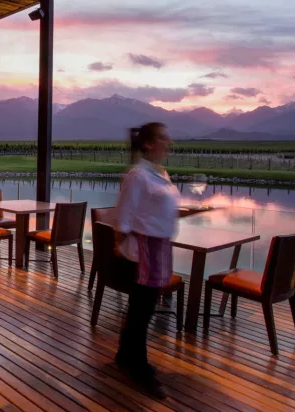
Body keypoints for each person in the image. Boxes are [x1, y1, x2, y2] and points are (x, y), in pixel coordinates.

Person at [115, 122, 179, 398]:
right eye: (164, 138)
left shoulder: (160, 173)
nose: (169, 143)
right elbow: (123, 216)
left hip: (159, 247)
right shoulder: (138, 176)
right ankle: (138, 367)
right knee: (142, 310)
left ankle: (124, 356)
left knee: (143, 308)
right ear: (148, 144)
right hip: (142, 250)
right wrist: (119, 245)